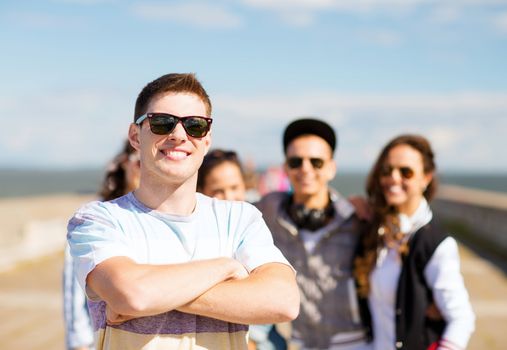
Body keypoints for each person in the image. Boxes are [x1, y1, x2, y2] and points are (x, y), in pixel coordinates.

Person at [67, 73, 299, 350]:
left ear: (207, 140)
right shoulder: (99, 220)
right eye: (162, 123)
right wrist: (226, 267)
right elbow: (135, 295)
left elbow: (283, 301)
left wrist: (153, 296)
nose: (178, 135)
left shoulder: (240, 219)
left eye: (195, 126)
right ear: (135, 135)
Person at [255, 118, 371, 350]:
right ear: (286, 168)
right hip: (301, 344)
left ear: (331, 168)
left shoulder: (357, 219)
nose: (305, 169)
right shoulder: (267, 211)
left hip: (356, 343)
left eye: (316, 162)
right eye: (296, 162)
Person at [354, 134, 475, 350]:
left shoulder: (433, 243)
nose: (393, 178)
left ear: (426, 178)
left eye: (406, 172)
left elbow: (462, 318)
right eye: (386, 170)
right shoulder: (377, 231)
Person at [197, 149, 287, 350]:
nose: (229, 196)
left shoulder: (256, 225)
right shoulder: (198, 239)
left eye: (234, 187)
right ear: (201, 191)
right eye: (218, 190)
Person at [63, 140, 140, 350]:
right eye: (140, 163)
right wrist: (79, 345)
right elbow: (74, 293)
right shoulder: (94, 216)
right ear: (124, 164)